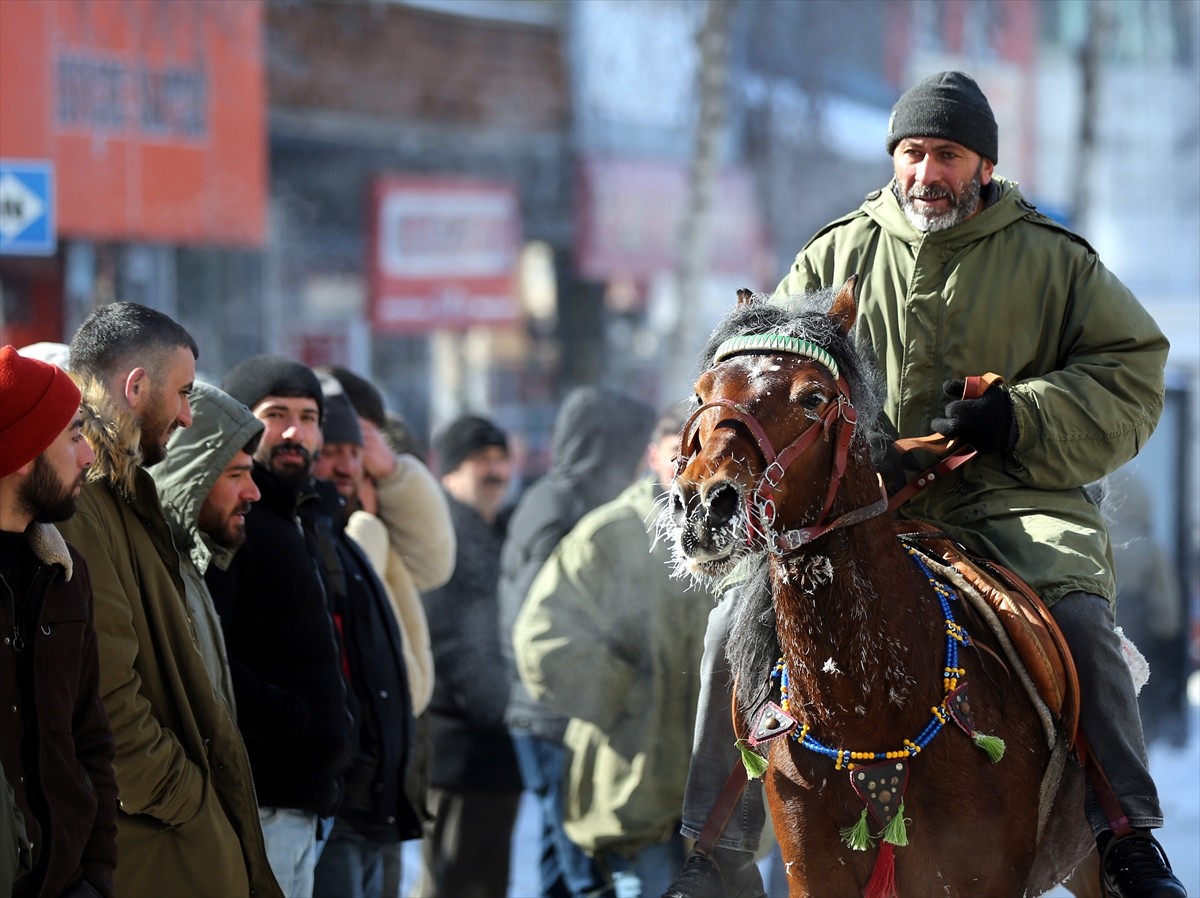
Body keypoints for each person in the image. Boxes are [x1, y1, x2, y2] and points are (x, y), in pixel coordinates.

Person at [665, 70, 1184, 898]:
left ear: (983, 165)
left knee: (1082, 622)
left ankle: (1125, 838)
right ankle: (713, 851)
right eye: (911, 152)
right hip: (855, 512)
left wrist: (1021, 419)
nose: (924, 172)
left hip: (1011, 504)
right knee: (733, 619)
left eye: (946, 154)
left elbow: (1133, 373)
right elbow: (776, 378)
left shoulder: (1056, 260)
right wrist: (861, 453)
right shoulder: (834, 254)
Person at [55, 304, 281, 897]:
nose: (186, 414)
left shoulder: (124, 493)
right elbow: (105, 689)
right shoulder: (84, 502)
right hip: (154, 842)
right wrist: (187, 800)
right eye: (181, 393)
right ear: (135, 386)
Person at [514, 403, 707, 898]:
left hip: (717, 803)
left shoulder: (736, 540)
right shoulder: (609, 533)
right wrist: (626, 698)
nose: (688, 466)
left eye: (701, 450)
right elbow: (542, 641)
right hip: (632, 789)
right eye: (676, 453)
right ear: (651, 457)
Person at [499, 387, 657, 898]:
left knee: (557, 862)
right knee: (582, 865)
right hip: (554, 715)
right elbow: (541, 625)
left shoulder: (566, 497)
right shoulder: (560, 506)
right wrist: (622, 690)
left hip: (554, 712)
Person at [208, 355, 357, 896]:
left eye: (310, 416)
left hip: (305, 803)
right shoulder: (229, 516)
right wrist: (298, 725)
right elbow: (209, 658)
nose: (296, 432)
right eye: (277, 414)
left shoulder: (295, 519)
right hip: (260, 800)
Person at [0, 346, 118, 898]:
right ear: (23, 451)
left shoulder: (65, 572)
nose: (89, 456)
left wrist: (94, 876)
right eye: (73, 436)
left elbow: (89, 738)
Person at [305, 381, 423, 897]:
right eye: (330, 451)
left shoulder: (349, 535)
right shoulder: (309, 534)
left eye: (355, 453)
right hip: (339, 800)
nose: (346, 466)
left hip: (379, 797)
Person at [411, 415, 524, 898]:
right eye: (482, 461)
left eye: (501, 459)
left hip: (493, 756)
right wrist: (505, 710)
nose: (496, 471)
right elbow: (452, 643)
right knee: (452, 884)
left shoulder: (495, 531)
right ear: (450, 470)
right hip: (459, 755)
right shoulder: (444, 536)